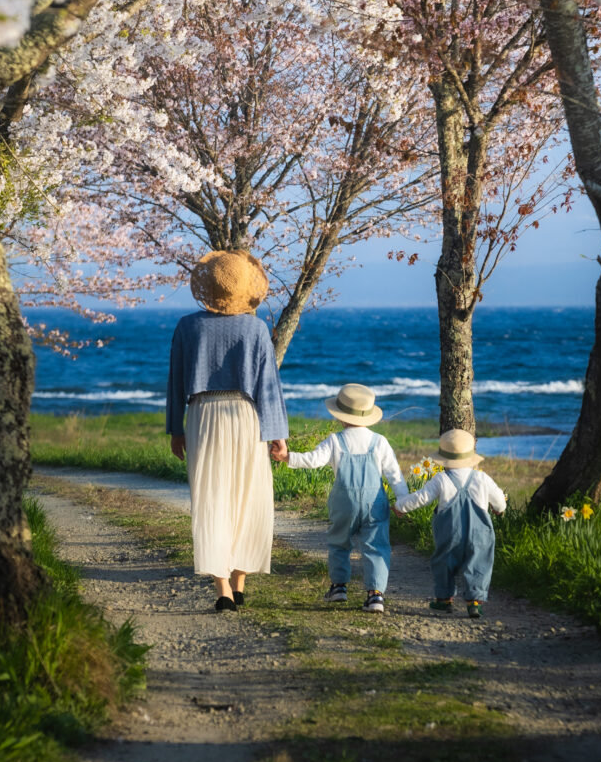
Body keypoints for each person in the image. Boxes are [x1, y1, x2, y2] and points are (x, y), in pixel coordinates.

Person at [166, 250, 288, 612]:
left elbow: (175, 383)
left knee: (211, 498)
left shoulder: (188, 326)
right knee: (247, 497)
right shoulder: (255, 328)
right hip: (246, 415)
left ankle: (222, 589)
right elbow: (269, 385)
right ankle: (240, 582)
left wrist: (176, 428)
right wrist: (277, 432)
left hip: (202, 414)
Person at [271, 383, 407, 614]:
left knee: (339, 543)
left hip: (343, 504)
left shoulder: (336, 440)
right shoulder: (379, 441)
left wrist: (287, 457)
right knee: (376, 546)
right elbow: (395, 475)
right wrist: (403, 501)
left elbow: (313, 460)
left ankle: (339, 587)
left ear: (340, 416)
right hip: (375, 504)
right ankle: (375, 596)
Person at [394, 429, 506, 620]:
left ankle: (444, 600)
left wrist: (400, 506)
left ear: (444, 458)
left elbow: (421, 498)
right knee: (479, 564)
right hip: (479, 535)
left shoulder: (441, 479)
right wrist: (499, 509)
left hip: (449, 533)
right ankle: (474, 603)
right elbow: (499, 502)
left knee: (443, 563)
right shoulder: (482, 478)